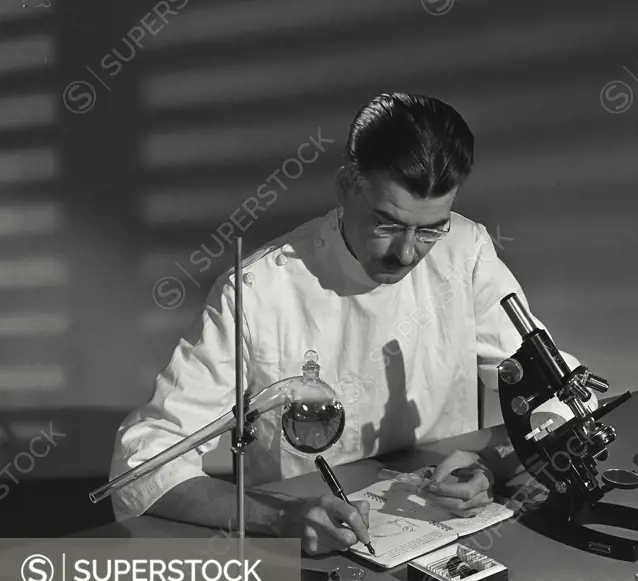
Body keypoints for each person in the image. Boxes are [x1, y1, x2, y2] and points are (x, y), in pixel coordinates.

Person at [108, 92, 594, 555]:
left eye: (429, 229)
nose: (406, 252)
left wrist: (492, 463)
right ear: (346, 185)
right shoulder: (258, 290)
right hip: (306, 547)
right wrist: (279, 520)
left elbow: (566, 398)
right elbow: (141, 466)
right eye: (387, 223)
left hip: (442, 533)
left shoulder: (464, 253)